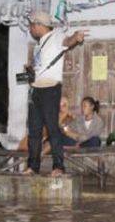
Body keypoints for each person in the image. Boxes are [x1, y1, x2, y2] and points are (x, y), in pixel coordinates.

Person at [24, 11, 87, 177]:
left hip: (50, 89)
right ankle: (33, 166)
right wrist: (30, 71)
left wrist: (76, 37)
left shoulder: (56, 36)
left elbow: (68, 41)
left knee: (52, 127)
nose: (30, 29)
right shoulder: (39, 45)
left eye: (32, 25)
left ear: (39, 25)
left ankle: (58, 166)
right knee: (34, 130)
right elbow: (40, 68)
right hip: (35, 90)